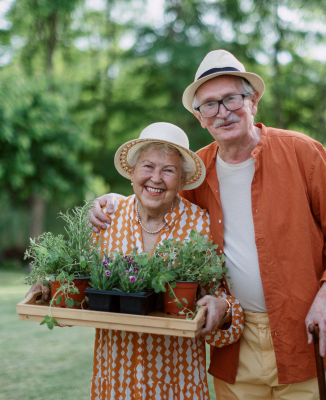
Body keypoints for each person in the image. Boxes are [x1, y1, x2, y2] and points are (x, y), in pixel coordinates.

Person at [90, 51, 326, 400]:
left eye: (231, 98)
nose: (222, 112)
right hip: (231, 341)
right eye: (210, 105)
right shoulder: (194, 173)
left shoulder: (303, 153)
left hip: (300, 333)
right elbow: (157, 200)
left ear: (253, 102)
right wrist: (115, 199)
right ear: (200, 118)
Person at [89, 122, 244, 399]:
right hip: (115, 378)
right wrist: (48, 286)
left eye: (169, 170)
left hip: (176, 379)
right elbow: (82, 286)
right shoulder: (108, 219)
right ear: (133, 173)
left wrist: (222, 308)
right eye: (147, 167)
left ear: (182, 181)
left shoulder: (202, 225)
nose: (156, 178)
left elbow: (227, 300)